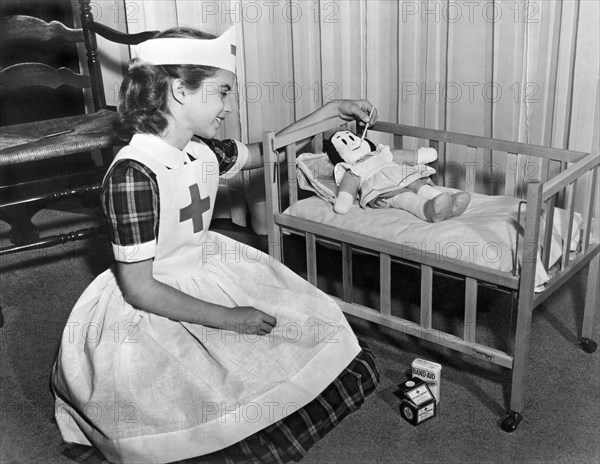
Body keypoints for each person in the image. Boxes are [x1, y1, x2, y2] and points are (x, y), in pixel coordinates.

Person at [51, 26, 379, 464]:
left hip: (206, 267)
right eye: (221, 91)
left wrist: (330, 112)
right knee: (194, 411)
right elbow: (139, 289)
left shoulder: (199, 151)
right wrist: (229, 318)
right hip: (152, 299)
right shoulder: (134, 173)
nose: (228, 105)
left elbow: (270, 150)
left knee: (323, 344)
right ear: (179, 91)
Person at [324, 129, 471, 221]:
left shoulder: (383, 153)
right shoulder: (353, 170)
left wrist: (420, 155)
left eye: (352, 138)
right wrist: (343, 201)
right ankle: (427, 209)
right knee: (404, 197)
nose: (352, 144)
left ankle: (450, 203)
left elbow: (402, 155)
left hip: (404, 176)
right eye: (344, 143)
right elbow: (347, 189)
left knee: (420, 185)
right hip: (383, 189)